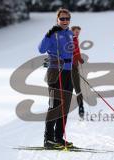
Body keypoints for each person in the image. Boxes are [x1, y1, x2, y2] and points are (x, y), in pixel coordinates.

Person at [38, 8, 74, 149]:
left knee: (64, 107)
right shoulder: (53, 33)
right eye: (62, 19)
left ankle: (58, 138)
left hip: (68, 73)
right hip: (55, 72)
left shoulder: (70, 34)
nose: (65, 21)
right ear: (57, 20)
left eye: (67, 19)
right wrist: (48, 35)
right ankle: (48, 139)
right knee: (55, 105)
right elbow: (41, 49)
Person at [71, 26, 85, 118]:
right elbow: (74, 52)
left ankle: (81, 107)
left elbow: (77, 51)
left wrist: (79, 59)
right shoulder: (72, 39)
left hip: (74, 65)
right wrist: (79, 59)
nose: (77, 33)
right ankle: (80, 107)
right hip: (69, 66)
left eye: (78, 32)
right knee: (75, 87)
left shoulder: (75, 39)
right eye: (76, 31)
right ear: (72, 31)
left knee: (77, 87)